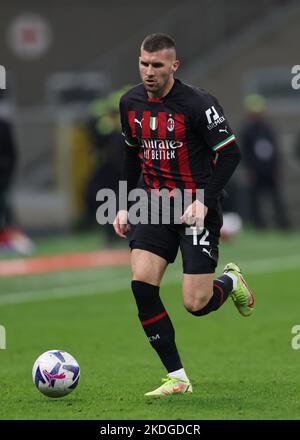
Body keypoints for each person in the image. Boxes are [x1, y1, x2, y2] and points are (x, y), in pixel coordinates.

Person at [113, 33, 255, 396]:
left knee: (196, 303)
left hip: (195, 209)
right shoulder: (129, 103)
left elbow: (231, 154)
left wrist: (204, 201)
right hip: (154, 206)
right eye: (144, 63)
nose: (149, 71)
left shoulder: (198, 104)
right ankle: (177, 377)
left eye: (157, 65)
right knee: (142, 285)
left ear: (174, 66)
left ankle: (231, 282)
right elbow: (132, 156)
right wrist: (126, 203)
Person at [241, 94, 289, 229]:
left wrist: (277, 167)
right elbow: (245, 152)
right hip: (256, 171)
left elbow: (275, 149)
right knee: (255, 200)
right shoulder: (247, 130)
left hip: (270, 169)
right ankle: (259, 225)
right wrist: (249, 170)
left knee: (277, 198)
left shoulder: (268, 128)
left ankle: (283, 224)